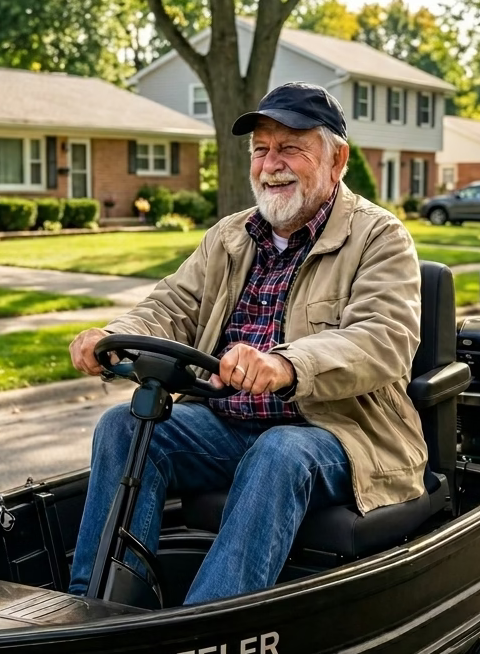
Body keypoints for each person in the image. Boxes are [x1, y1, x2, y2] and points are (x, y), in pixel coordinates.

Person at [68, 82, 428, 605]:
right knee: (124, 426)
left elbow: (381, 339)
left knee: (280, 451)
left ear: (337, 159)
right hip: (227, 423)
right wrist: (113, 336)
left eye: (290, 148)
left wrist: (287, 364)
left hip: (338, 432)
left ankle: (207, 627)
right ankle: (98, 609)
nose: (271, 164)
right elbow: (172, 305)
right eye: (261, 149)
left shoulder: (380, 238)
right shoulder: (229, 236)